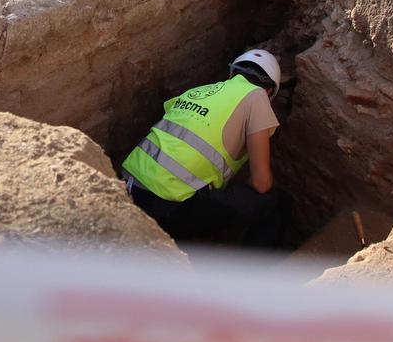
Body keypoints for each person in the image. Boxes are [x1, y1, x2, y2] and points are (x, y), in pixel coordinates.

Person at [121, 49, 291, 249]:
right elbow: (261, 183)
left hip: (127, 189)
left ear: (233, 73)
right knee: (275, 202)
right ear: (269, 90)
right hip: (165, 206)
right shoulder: (257, 96)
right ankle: (251, 277)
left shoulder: (195, 92)